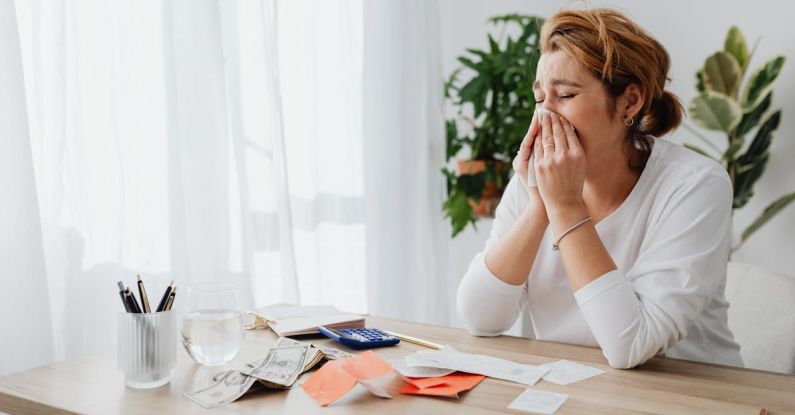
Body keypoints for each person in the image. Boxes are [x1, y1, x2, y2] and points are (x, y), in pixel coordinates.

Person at [456, 8, 743, 369]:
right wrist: (539, 208)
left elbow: (632, 346)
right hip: (581, 393)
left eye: (565, 95)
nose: (545, 116)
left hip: (694, 397)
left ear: (630, 102)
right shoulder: (535, 182)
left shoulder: (694, 186)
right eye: (540, 98)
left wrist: (566, 208)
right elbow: (480, 319)